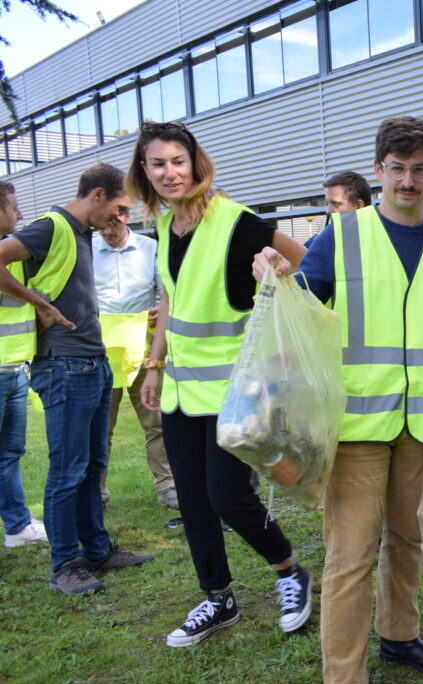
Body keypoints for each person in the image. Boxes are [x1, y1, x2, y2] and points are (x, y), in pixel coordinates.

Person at [255, 116, 423, 683]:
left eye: (419, 170)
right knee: (352, 556)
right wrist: (277, 275)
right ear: (379, 169)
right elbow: (302, 301)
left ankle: (400, 636)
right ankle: (345, 674)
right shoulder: (342, 235)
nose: (408, 181)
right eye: (397, 169)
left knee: (411, 541)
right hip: (359, 426)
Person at [129, 121, 310, 648]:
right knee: (192, 500)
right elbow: (172, 297)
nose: (170, 172)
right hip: (182, 390)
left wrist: (276, 272)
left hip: (235, 391)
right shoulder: (165, 226)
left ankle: (290, 570)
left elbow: (308, 264)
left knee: (227, 496)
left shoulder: (237, 222)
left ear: (195, 164)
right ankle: (218, 597)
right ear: (144, 171)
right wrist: (155, 363)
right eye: (158, 163)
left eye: (178, 161)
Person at [0, 164, 154, 595]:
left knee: (92, 467)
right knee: (68, 470)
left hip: (93, 363)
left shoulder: (82, 232)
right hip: (64, 366)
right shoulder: (52, 227)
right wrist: (38, 303)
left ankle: (98, 550)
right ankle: (65, 564)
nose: (120, 218)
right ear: (98, 194)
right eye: (119, 208)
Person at [93, 210, 176, 509]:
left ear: (126, 215)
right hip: (102, 352)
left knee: (157, 421)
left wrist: (158, 310)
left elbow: (163, 293)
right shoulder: (87, 250)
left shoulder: (150, 248)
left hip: (143, 347)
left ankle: (167, 486)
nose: (107, 231)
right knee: (101, 426)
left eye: (113, 223)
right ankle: (97, 492)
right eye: (102, 226)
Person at [0, 181, 48, 549]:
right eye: (14, 207)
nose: (20, 214)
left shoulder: (14, 252)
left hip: (14, 369)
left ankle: (17, 526)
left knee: (9, 454)